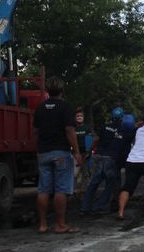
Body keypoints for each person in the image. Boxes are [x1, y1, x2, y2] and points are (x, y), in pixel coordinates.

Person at [33, 77, 82, 234]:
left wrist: (38, 151)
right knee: (61, 189)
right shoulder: (65, 107)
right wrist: (76, 151)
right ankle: (60, 225)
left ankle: (42, 225)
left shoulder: (39, 108)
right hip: (60, 152)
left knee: (43, 190)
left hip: (43, 153)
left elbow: (36, 132)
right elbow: (69, 130)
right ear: (61, 91)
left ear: (48, 91)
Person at [80, 107, 134, 215]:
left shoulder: (105, 127)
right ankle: (98, 207)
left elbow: (95, 139)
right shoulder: (123, 129)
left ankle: (85, 208)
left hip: (98, 156)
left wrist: (89, 152)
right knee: (110, 184)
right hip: (110, 159)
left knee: (94, 183)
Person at [74, 107, 93, 196]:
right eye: (78, 116)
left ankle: (86, 191)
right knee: (75, 174)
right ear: (75, 117)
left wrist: (89, 152)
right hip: (74, 154)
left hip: (86, 154)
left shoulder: (87, 127)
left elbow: (91, 139)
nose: (79, 117)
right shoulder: (72, 128)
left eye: (81, 116)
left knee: (86, 173)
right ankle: (74, 191)